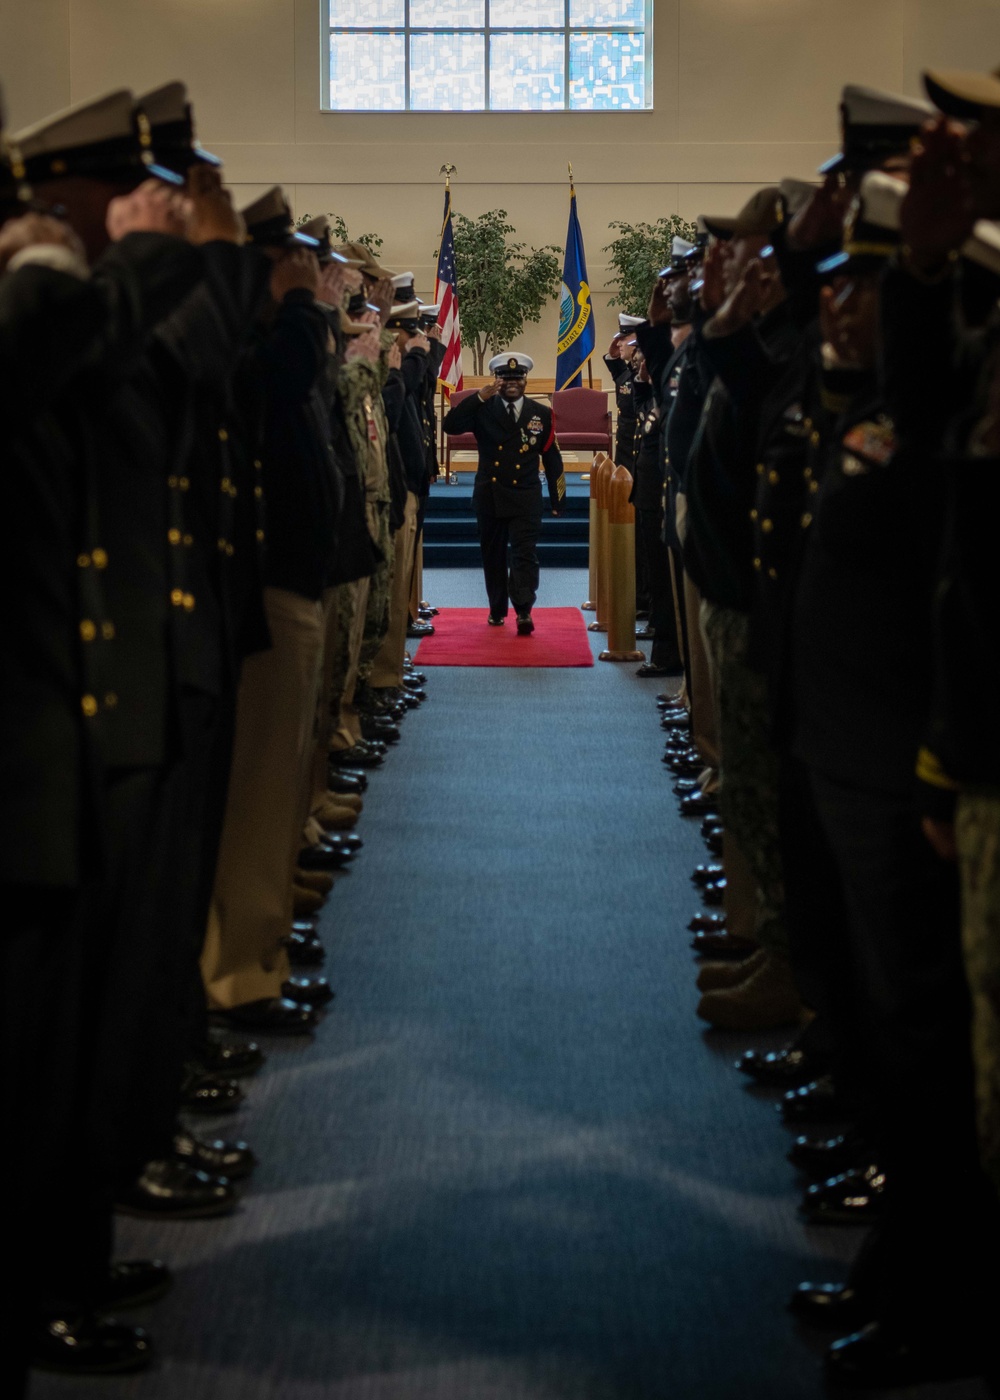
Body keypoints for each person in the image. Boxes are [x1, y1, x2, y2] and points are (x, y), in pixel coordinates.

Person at [441, 352, 565, 633]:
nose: (512, 382)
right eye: (505, 377)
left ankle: (523, 611)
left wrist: (559, 498)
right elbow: (450, 426)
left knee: (525, 555)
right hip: (490, 495)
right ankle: (497, 609)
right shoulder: (482, 409)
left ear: (525, 381)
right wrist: (478, 398)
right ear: (495, 380)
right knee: (493, 556)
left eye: (517, 378)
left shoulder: (541, 413)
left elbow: (552, 458)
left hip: (526, 495)